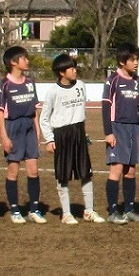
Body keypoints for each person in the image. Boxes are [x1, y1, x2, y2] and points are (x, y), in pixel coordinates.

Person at [41, 51, 102, 225]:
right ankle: (66, 213)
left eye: (74, 67)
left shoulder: (81, 85)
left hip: (79, 133)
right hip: (62, 135)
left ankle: (89, 211)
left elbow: (80, 111)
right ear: (62, 72)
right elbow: (44, 118)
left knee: (86, 173)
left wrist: (83, 133)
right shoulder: (53, 92)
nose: (75, 70)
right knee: (63, 175)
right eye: (71, 68)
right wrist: (50, 139)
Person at [0, 45, 46, 223]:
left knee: (33, 169)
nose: (27, 61)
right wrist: (4, 136)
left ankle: (34, 208)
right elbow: (0, 112)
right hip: (13, 127)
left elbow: (33, 109)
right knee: (13, 170)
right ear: (13, 62)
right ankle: (15, 209)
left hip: (29, 127)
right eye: (24, 58)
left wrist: (37, 129)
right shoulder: (4, 85)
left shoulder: (30, 82)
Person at [102, 44, 139, 223]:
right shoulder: (112, 80)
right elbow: (106, 106)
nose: (136, 63)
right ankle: (113, 211)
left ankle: (129, 209)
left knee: (131, 171)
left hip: (133, 128)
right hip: (117, 127)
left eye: (137, 59)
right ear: (122, 62)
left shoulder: (137, 81)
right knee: (117, 169)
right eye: (133, 60)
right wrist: (108, 132)